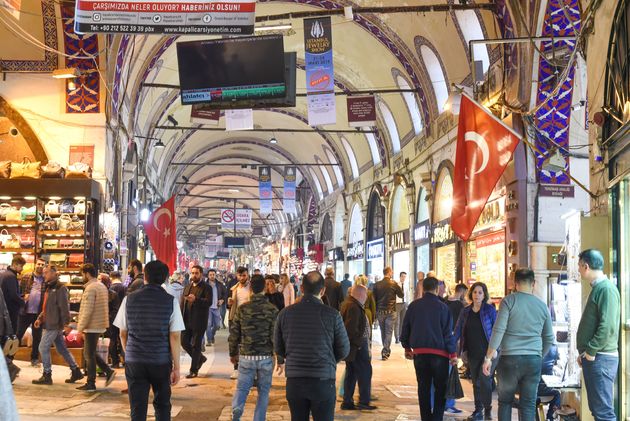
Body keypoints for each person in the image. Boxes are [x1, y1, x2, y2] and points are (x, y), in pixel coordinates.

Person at [114, 260, 185, 421]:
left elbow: (122, 333)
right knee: (162, 405)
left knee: (137, 407)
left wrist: (129, 353)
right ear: (166, 278)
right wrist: (177, 368)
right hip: (160, 361)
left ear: (144, 275)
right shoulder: (170, 301)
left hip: (135, 361)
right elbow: (174, 336)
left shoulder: (129, 299)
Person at [275, 271, 350, 421]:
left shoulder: (284, 314)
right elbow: (344, 349)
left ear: (301, 288)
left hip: (295, 382)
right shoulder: (333, 315)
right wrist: (328, 359)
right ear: (322, 291)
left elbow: (278, 347)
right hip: (323, 382)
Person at [482, 268, 554, 421]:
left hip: (509, 359)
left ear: (515, 284)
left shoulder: (509, 301)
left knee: (505, 402)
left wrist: (488, 357)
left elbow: (498, 330)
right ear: (533, 283)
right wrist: (539, 355)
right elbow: (549, 338)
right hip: (533, 360)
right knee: (528, 404)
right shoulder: (542, 306)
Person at [401, 276, 457, 421]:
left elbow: (405, 328)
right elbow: (447, 333)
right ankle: (437, 418)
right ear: (437, 289)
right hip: (440, 355)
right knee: (440, 389)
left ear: (423, 288)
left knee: (423, 388)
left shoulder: (413, 306)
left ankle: (425, 418)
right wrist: (453, 353)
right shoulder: (443, 307)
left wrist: (407, 347)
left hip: (420, 355)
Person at [576, 249, 620, 421]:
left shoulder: (606, 289)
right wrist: (585, 354)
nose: (579, 270)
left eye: (579, 266)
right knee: (597, 409)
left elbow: (607, 326)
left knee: (603, 411)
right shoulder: (599, 288)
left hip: (601, 357)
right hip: (596, 357)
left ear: (586, 266)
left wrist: (590, 351)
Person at [229, 274, 280, 421]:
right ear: (265, 288)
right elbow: (275, 336)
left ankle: (237, 410)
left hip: (246, 356)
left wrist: (233, 353)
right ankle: (259, 418)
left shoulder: (242, 309)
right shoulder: (272, 310)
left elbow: (234, 333)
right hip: (265, 357)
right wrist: (280, 356)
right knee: (263, 392)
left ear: (251, 288)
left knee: (242, 388)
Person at [32, 265, 83, 385]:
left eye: (46, 273)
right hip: (49, 322)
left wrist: (67, 324)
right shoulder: (49, 287)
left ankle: (47, 375)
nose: (44, 275)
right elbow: (47, 307)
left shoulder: (60, 288)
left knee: (42, 347)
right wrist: (40, 318)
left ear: (54, 273)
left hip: (54, 324)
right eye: (43, 273)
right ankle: (75, 370)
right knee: (61, 349)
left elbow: (64, 307)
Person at [453, 282, 497, 420]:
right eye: (475, 292)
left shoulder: (489, 310)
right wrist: (451, 347)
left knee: (484, 380)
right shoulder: (465, 311)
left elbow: (497, 330)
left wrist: (495, 349)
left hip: (488, 353)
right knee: (476, 382)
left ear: (484, 295)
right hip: (472, 352)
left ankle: (487, 408)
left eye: (480, 292)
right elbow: (458, 330)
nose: (477, 295)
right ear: (471, 294)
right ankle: (478, 410)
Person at [75, 263, 115, 391]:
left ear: (86, 273)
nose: (82, 277)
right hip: (100, 324)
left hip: (92, 325)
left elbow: (87, 310)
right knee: (91, 352)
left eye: (82, 274)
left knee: (88, 354)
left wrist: (80, 327)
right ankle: (108, 371)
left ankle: (91, 382)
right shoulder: (101, 286)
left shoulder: (91, 288)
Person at [340, 284, 376, 411]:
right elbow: (351, 329)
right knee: (365, 373)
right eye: (365, 294)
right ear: (360, 294)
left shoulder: (350, 304)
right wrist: (359, 344)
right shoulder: (353, 307)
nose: (366, 297)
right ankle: (363, 401)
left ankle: (347, 401)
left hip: (354, 347)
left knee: (352, 373)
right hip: (357, 348)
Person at [180, 265, 211, 379]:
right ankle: (200, 358)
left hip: (199, 321)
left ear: (201, 274)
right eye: (192, 273)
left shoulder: (206, 288)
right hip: (186, 320)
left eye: (196, 273)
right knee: (183, 342)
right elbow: (183, 302)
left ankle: (194, 370)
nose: (194, 275)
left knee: (196, 345)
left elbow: (209, 302)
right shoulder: (187, 287)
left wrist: (196, 300)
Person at [17, 257, 46, 366]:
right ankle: (10, 357)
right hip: (25, 312)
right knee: (18, 334)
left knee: (37, 337)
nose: (40, 266)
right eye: (39, 264)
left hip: (38, 313)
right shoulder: (26, 276)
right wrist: (23, 297)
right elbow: (18, 293)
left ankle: (34, 358)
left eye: (42, 265)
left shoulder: (45, 280)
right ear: (35, 264)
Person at [373, 266, 404, 360]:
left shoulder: (377, 284)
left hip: (380, 311)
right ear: (389, 272)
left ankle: (385, 349)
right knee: (389, 331)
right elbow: (401, 295)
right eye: (392, 272)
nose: (392, 273)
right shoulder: (393, 283)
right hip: (391, 311)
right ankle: (386, 351)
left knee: (383, 331)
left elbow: (374, 298)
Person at [228, 267, 251, 379]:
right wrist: (230, 303)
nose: (242, 278)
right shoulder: (235, 288)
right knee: (235, 343)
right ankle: (236, 368)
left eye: (244, 275)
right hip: (236, 319)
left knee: (246, 344)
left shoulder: (252, 288)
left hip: (249, 319)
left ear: (247, 275)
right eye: (240, 275)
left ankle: (247, 369)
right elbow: (231, 305)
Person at [0, 255, 25, 334]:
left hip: (4, 309)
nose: (22, 268)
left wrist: (21, 296)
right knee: (11, 333)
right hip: (10, 310)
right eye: (21, 266)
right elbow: (13, 295)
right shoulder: (11, 276)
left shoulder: (4, 274)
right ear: (15, 264)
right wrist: (23, 302)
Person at [537, 344, 561, 421]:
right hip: (545, 390)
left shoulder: (531, 345)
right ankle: (550, 418)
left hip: (529, 389)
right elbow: (556, 363)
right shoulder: (553, 348)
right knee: (558, 394)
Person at [109, 271, 126, 369]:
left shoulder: (111, 289)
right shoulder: (124, 287)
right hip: (123, 316)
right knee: (123, 338)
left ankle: (115, 362)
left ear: (112, 277)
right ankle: (125, 361)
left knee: (113, 339)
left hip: (113, 317)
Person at [205, 269, 226, 347]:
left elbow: (224, 293)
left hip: (216, 307)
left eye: (213, 274)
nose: (212, 276)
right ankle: (209, 340)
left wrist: (222, 300)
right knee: (208, 324)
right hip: (208, 308)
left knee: (217, 325)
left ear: (215, 275)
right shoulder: (205, 285)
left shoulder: (219, 285)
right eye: (210, 274)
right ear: (208, 275)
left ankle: (212, 335)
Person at [394, 271, 409, 344]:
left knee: (403, 321)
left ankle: (400, 336)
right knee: (397, 322)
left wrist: (407, 304)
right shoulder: (396, 285)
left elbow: (407, 295)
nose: (404, 278)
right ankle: (396, 337)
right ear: (400, 277)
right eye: (402, 276)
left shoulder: (406, 285)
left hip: (404, 303)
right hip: (397, 304)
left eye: (405, 276)